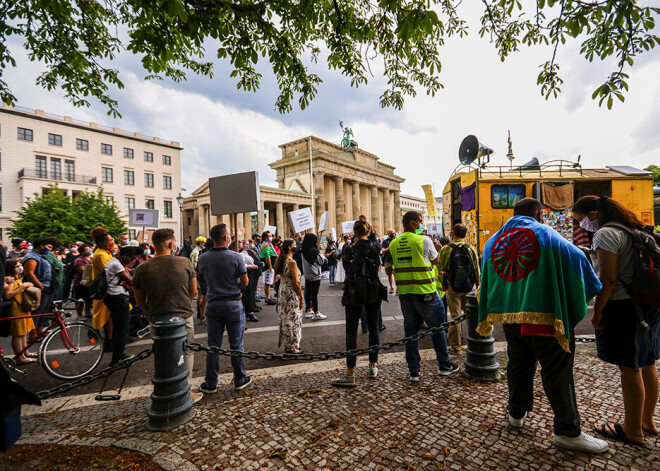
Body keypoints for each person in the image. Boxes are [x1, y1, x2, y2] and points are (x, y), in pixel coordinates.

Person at [477, 197, 608, 454]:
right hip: (545, 317)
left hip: (510, 318)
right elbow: (580, 263)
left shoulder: (493, 241)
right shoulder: (546, 234)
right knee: (557, 370)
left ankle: (516, 413)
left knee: (518, 363)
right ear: (539, 214)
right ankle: (567, 431)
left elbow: (487, 277)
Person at [573, 195, 660, 445]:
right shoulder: (631, 229)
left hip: (623, 308)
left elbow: (609, 277)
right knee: (646, 363)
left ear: (594, 214)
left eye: (581, 220)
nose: (581, 226)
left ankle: (632, 429)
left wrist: (598, 311)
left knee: (629, 367)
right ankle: (647, 421)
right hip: (646, 305)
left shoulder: (605, 234)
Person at [133, 228, 201, 403]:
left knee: (163, 353)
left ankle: (166, 390)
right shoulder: (184, 263)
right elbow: (193, 291)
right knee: (188, 352)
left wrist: (154, 311)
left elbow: (140, 302)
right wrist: (182, 303)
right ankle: (186, 390)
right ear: (171, 244)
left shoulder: (141, 268)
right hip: (183, 314)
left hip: (157, 318)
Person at [389, 211, 459, 381]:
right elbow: (438, 262)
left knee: (411, 332)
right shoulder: (424, 240)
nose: (422, 224)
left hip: (405, 294)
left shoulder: (394, 243)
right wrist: (440, 250)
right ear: (412, 223)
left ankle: (414, 370)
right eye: (420, 221)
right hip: (426, 293)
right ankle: (444, 365)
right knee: (437, 329)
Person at [197, 224, 252, 393]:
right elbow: (246, 282)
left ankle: (211, 382)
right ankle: (240, 379)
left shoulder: (203, 258)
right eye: (229, 235)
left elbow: (203, 279)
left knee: (213, 345)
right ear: (226, 238)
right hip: (233, 302)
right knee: (236, 343)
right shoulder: (236, 257)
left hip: (213, 303)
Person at [332, 218, 383, 387]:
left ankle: (350, 373)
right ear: (369, 231)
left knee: (351, 331)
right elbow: (376, 266)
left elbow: (346, 267)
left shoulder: (349, 248)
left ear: (354, 233)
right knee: (374, 327)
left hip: (354, 289)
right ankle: (372, 366)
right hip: (373, 288)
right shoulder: (375, 247)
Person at [439, 223, 480, 353]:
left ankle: (456, 346)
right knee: (471, 315)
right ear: (466, 234)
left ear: (453, 233)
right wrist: (477, 285)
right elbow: (476, 270)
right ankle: (476, 342)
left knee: (456, 316)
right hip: (469, 286)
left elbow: (441, 267)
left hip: (453, 286)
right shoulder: (471, 248)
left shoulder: (447, 248)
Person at [103, 246, 140, 365]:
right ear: (126, 257)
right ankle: (117, 359)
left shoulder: (114, 263)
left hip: (113, 297)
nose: (132, 261)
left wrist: (125, 283)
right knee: (122, 329)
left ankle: (119, 355)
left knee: (119, 328)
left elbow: (126, 281)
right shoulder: (117, 265)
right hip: (118, 298)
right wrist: (127, 282)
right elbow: (131, 280)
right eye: (131, 258)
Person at [22, 237, 58, 338]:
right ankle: (33, 334)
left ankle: (40, 332)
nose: (50, 249)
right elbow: (29, 274)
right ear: (41, 245)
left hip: (48, 287)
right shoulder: (32, 256)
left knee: (44, 311)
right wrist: (41, 287)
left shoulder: (41, 256)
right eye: (49, 247)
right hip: (39, 288)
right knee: (36, 312)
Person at [274, 238, 304, 354]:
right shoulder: (292, 262)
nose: (296, 246)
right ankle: (293, 347)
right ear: (290, 247)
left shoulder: (282, 260)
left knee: (285, 318)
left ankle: (289, 345)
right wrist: (301, 296)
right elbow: (296, 282)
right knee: (293, 319)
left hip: (283, 292)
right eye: (294, 245)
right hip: (291, 294)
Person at [3, 259, 36, 365]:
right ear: (11, 268)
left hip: (23, 308)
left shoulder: (18, 277)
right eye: (17, 266)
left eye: (20, 265)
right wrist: (22, 286)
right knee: (18, 334)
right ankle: (20, 357)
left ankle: (25, 352)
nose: (20, 267)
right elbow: (8, 295)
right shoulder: (10, 279)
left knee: (24, 332)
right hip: (16, 308)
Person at [90, 227, 115, 348]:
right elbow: (110, 271)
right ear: (100, 243)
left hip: (109, 286)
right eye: (109, 241)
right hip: (105, 288)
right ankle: (108, 340)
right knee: (107, 316)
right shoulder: (100, 255)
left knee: (109, 315)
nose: (111, 242)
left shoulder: (106, 252)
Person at [301, 233, 327, 321]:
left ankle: (308, 309)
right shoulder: (315, 251)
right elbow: (321, 261)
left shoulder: (303, 250)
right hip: (315, 275)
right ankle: (316, 312)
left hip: (307, 274)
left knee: (308, 293)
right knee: (314, 295)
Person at [72, 244, 93, 319]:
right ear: (82, 252)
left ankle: (87, 312)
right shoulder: (79, 260)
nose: (89, 250)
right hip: (79, 283)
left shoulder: (91, 259)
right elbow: (82, 270)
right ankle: (79, 315)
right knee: (80, 300)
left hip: (89, 283)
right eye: (87, 249)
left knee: (88, 299)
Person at [259, 230, 278, 305]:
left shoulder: (268, 244)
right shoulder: (265, 245)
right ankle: (267, 297)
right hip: (267, 267)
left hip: (271, 266)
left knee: (269, 282)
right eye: (269, 236)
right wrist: (270, 267)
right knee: (267, 282)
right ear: (266, 237)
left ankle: (269, 296)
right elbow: (267, 257)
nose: (271, 237)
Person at [381, 229, 397, 294]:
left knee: (396, 275)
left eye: (393, 233)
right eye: (391, 233)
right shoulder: (385, 241)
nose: (392, 234)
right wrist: (389, 247)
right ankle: (391, 287)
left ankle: (397, 288)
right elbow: (383, 250)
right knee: (389, 275)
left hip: (395, 260)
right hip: (388, 260)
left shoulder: (396, 240)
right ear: (387, 234)